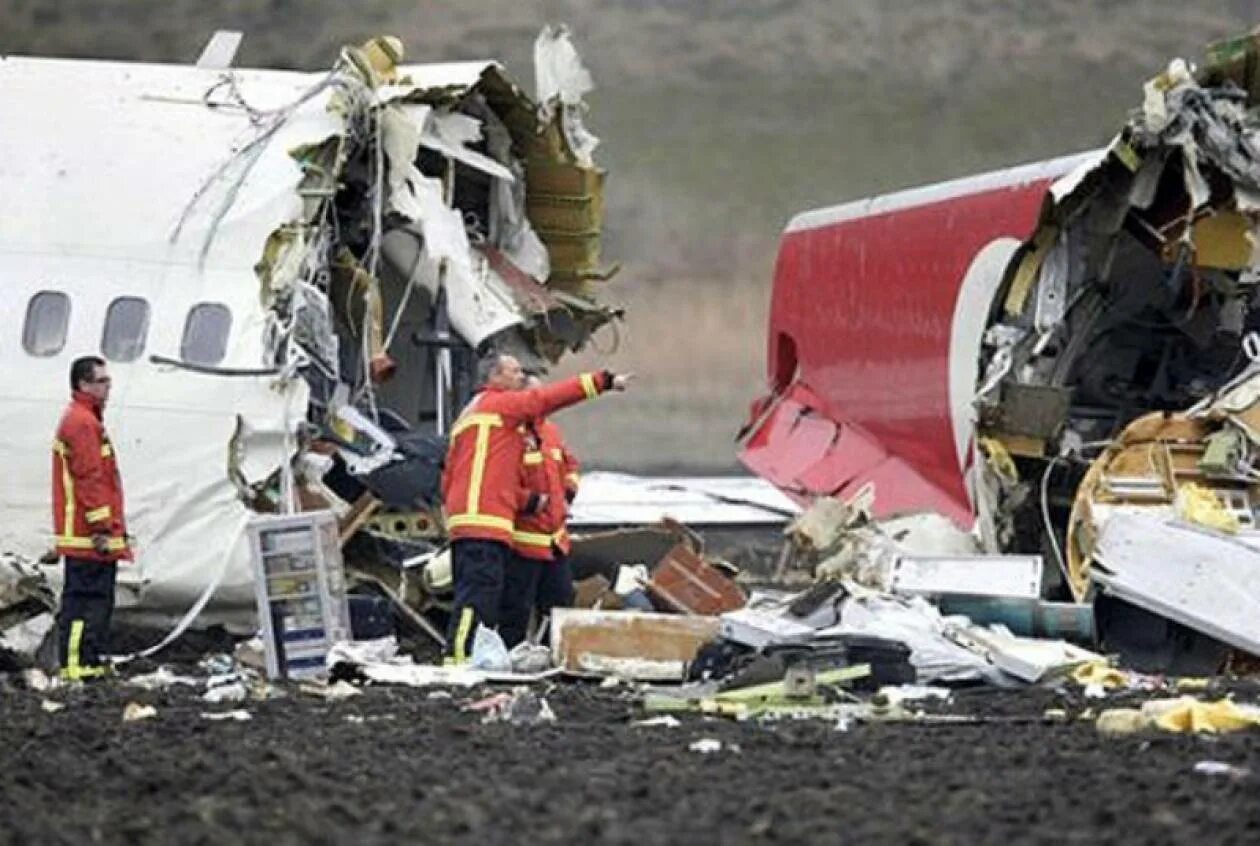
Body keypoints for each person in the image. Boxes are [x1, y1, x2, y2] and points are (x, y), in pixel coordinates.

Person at [441, 354, 630, 663]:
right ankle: (459, 659)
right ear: (495, 377)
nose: (520, 378)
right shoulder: (500, 406)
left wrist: (563, 494)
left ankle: (474, 658)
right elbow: (545, 399)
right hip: (492, 525)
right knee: (480, 599)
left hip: (495, 524)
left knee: (485, 598)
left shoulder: (478, 418)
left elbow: (451, 475)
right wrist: (601, 381)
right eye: (515, 372)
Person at [52, 356, 132, 680]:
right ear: (83, 385)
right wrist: (102, 526)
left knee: (96, 602)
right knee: (86, 603)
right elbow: (90, 479)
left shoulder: (86, 419)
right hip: (87, 536)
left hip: (90, 535)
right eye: (102, 381)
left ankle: (89, 660)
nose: (108, 387)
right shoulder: (83, 424)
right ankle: (77, 665)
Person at [499, 380, 581, 648]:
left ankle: (554, 656)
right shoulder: (509, 437)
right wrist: (532, 502)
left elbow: (570, 466)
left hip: (556, 542)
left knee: (561, 604)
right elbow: (503, 484)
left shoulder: (551, 432)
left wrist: (567, 494)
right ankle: (510, 655)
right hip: (523, 543)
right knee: (515, 608)